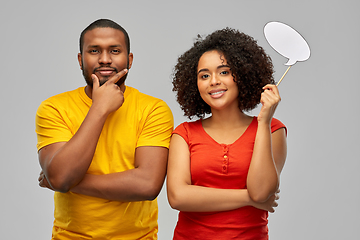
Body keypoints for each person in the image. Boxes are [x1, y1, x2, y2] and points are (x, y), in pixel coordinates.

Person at [36, 19, 173, 239]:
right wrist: (99, 108)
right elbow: (61, 178)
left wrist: (72, 183)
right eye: (94, 50)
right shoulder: (54, 108)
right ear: (80, 60)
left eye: (115, 50)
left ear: (129, 59)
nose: (105, 59)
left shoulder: (153, 109)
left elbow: (148, 185)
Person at [167, 28, 287, 239]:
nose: (213, 81)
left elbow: (260, 191)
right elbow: (178, 197)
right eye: (204, 75)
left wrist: (264, 121)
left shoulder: (272, 129)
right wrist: (248, 199)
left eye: (224, 72)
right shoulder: (183, 134)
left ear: (242, 74)